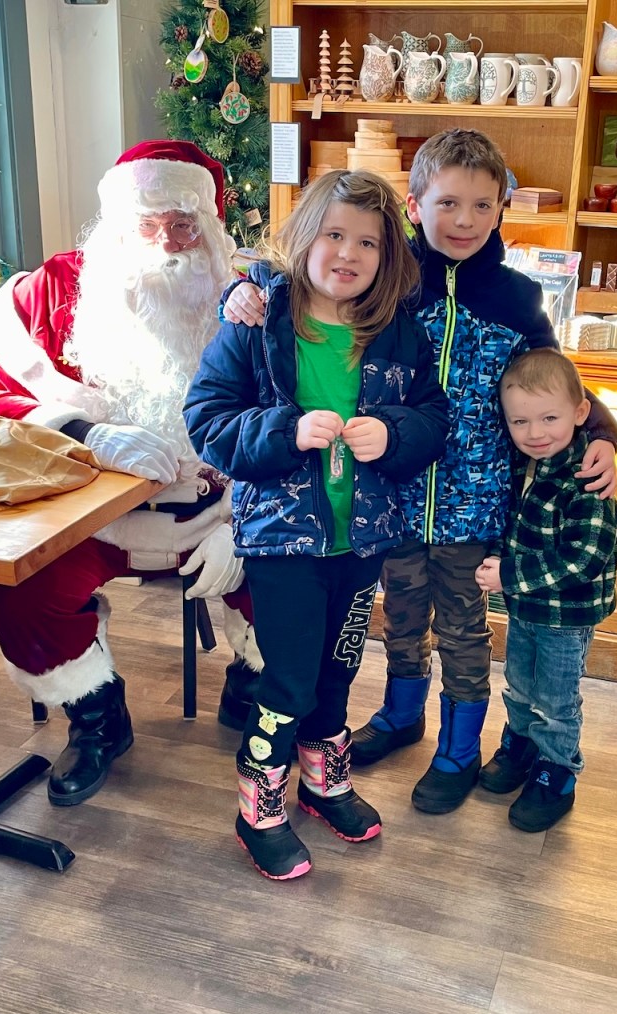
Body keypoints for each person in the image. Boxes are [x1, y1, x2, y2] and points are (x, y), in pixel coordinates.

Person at [222, 128, 617, 817]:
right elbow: (303, 276)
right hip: (392, 500)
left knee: (465, 628)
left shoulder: (517, 300)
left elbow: (558, 382)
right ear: (415, 204)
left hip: (475, 504)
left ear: (503, 209)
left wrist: (604, 433)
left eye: (480, 205)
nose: (462, 221)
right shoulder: (388, 279)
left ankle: (458, 751)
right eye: (447, 204)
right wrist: (249, 290)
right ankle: (401, 715)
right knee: (399, 618)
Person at [0, 139, 261, 807]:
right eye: (146, 226)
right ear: (116, 226)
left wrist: (244, 519)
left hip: (221, 513)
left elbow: (302, 419)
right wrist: (85, 432)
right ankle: (97, 715)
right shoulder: (51, 293)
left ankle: (254, 682)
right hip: (91, 520)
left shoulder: (252, 292)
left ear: (210, 226)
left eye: (183, 225)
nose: (165, 245)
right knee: (22, 596)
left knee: (294, 573)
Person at [183, 169, 449, 881]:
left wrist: (392, 435)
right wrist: (286, 430)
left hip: (362, 540)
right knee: (292, 681)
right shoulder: (254, 320)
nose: (348, 253)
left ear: (388, 254)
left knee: (336, 675)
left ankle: (324, 782)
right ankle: (258, 805)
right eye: (333, 234)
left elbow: (432, 420)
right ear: (302, 237)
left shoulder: (398, 331)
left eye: (367, 241)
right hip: (283, 541)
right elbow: (206, 419)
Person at [475, 348, 617, 831]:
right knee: (519, 684)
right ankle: (520, 744)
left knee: (557, 699)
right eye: (520, 422)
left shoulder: (587, 479)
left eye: (549, 418)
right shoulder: (524, 467)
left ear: (582, 414)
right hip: (524, 609)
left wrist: (509, 575)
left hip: (566, 617)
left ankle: (557, 770)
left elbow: (583, 561)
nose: (535, 433)